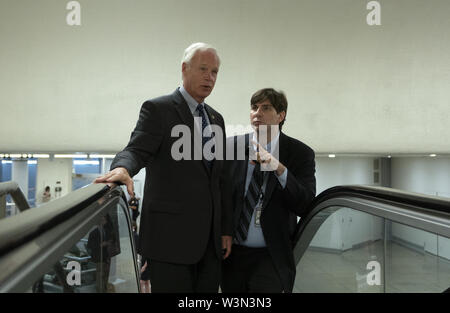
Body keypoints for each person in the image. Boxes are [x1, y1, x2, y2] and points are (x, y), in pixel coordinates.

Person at [94, 43, 232, 293]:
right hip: (170, 242)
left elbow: (219, 180)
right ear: (184, 68)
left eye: (214, 72)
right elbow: (136, 149)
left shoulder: (216, 119)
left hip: (210, 246)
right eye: (203, 69)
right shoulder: (159, 109)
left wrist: (225, 230)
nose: (209, 77)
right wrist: (124, 168)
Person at [221, 88, 316, 293]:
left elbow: (305, 203)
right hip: (232, 254)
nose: (257, 113)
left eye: (266, 108)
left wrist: (279, 168)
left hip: (271, 256)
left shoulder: (300, 153)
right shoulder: (231, 147)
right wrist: (224, 231)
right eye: (254, 108)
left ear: (281, 115)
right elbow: (221, 196)